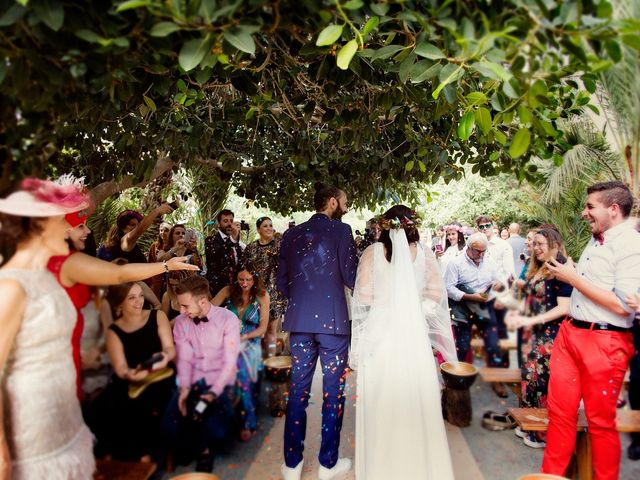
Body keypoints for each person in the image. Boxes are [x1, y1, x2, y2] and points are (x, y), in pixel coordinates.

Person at [541, 181, 640, 480]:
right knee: (559, 417)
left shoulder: (630, 246)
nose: (584, 213)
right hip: (570, 335)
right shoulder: (598, 238)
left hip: (605, 341)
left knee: (599, 423)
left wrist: (572, 278)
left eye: (590, 207)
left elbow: (623, 306)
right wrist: (570, 270)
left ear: (613, 209)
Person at [351, 205, 457, 479]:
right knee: (415, 395)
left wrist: (387, 305)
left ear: (384, 226)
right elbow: (436, 293)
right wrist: (414, 311)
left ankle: (382, 467)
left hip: (380, 334)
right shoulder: (424, 254)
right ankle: (420, 466)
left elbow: (362, 296)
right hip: (413, 335)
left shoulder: (373, 253)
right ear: (413, 225)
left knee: (382, 397)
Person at [0, 177, 95, 479]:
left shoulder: (46, 275)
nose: (68, 228)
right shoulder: (11, 285)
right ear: (39, 225)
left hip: (63, 413)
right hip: (30, 422)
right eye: (59, 220)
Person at [277, 182, 358, 480]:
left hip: (299, 324)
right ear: (333, 202)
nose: (347, 207)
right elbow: (352, 276)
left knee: (297, 391)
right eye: (345, 201)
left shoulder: (291, 234)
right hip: (333, 325)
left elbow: (281, 282)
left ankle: (292, 465)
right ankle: (327, 464)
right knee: (332, 393)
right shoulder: (342, 231)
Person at [89, 282, 176, 462]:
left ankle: (143, 456)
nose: (139, 302)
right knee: (99, 407)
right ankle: (120, 457)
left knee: (140, 403)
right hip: (131, 377)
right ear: (119, 304)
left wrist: (162, 358)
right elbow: (121, 368)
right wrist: (131, 374)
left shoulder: (157, 316)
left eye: (141, 296)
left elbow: (170, 349)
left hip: (160, 373)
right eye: (132, 298)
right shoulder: (114, 331)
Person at [162, 275, 241, 473]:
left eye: (185, 305)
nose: (181, 311)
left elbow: (230, 362)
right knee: (169, 424)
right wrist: (184, 389)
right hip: (194, 379)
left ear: (203, 301)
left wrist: (213, 393)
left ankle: (203, 450)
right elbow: (185, 360)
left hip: (220, 381)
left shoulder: (228, 319)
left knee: (217, 428)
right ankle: (197, 446)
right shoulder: (181, 323)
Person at [505, 228, 572, 449]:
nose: (536, 248)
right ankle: (527, 423)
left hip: (549, 336)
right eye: (534, 244)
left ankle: (541, 432)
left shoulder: (561, 267)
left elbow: (564, 308)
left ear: (554, 243)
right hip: (530, 334)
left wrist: (533, 321)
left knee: (542, 383)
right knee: (529, 380)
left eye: (541, 244)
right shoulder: (537, 266)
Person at [212, 264, 269, 441]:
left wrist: (242, 339)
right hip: (228, 340)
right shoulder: (228, 291)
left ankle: (248, 422)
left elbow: (262, 329)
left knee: (243, 373)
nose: (244, 283)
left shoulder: (262, 295)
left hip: (251, 342)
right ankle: (223, 418)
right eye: (241, 279)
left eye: (249, 280)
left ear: (255, 279)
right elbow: (210, 310)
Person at [444, 233, 508, 387]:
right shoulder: (456, 263)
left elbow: (499, 279)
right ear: (469, 248)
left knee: (493, 344)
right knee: (463, 345)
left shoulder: (489, 261)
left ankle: (496, 381)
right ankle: (455, 381)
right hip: (463, 308)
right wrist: (469, 296)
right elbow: (448, 288)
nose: (481, 254)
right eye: (478, 251)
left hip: (485, 307)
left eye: (484, 251)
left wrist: (499, 285)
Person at [97, 205, 173, 263]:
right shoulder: (125, 241)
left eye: (137, 225)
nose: (136, 228)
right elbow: (141, 228)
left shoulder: (129, 245)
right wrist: (157, 211)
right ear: (123, 228)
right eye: (132, 225)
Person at [204, 209, 245, 297]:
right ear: (218, 224)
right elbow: (217, 255)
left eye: (231, 221)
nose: (229, 224)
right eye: (225, 221)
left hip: (235, 289)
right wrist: (233, 239)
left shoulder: (236, 242)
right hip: (217, 289)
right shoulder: (210, 240)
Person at [148, 221, 172, 298]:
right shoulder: (154, 246)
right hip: (157, 280)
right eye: (161, 230)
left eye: (166, 230)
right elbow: (150, 262)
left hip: (170, 280)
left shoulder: (175, 246)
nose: (163, 232)